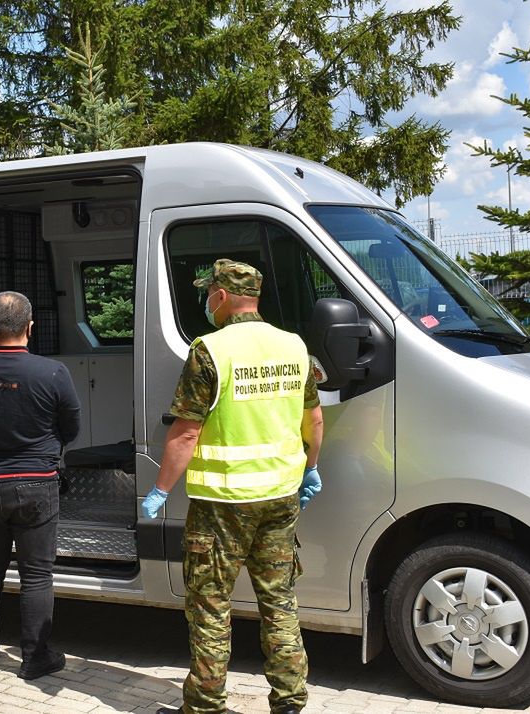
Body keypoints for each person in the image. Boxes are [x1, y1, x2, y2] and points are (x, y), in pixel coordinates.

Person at [142, 259, 324, 714]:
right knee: (279, 601)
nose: (207, 302)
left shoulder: (209, 349)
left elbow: (186, 432)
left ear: (221, 296)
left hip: (221, 504)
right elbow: (314, 421)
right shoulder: (293, 345)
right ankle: (290, 701)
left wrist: (161, 489)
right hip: (280, 498)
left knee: (210, 606)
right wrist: (309, 468)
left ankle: (205, 705)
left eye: (208, 295)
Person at [0, 291, 81, 680]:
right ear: (30, 327)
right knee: (37, 574)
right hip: (37, 484)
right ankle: (34, 657)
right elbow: (71, 428)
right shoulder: (52, 372)